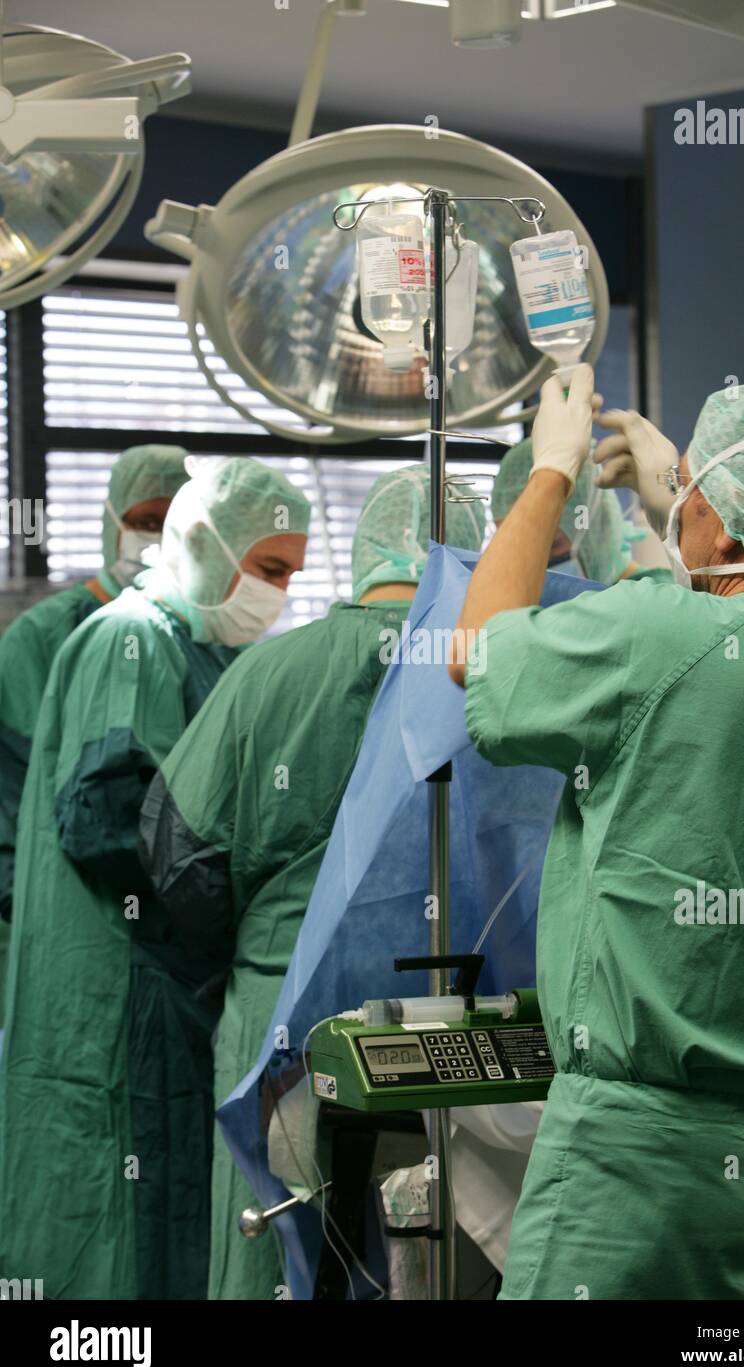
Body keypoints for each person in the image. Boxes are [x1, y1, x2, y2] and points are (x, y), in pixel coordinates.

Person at [449, 366, 744, 1300]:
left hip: (632, 1176)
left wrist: (548, 475)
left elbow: (474, 654)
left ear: (714, 517)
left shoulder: (659, 636)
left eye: (690, 505)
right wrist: (679, 507)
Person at [139, 464, 485, 1300]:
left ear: (363, 546)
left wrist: (264, 947)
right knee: (437, 1258)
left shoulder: (266, 676)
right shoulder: (493, 677)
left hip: (280, 1022)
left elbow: (176, 861)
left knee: (280, 1257)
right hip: (450, 1032)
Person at [0, 455, 311, 1300]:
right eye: (270, 568)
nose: (278, 592)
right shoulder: (129, 638)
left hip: (157, 986)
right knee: (114, 1231)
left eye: (292, 574)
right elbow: (110, 820)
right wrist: (232, 916)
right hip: (117, 986)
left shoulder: (197, 650)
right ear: (208, 543)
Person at [0, 444, 190, 1027]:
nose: (156, 538)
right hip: (61, 913)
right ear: (112, 523)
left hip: (172, 919)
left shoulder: (198, 634)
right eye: (144, 522)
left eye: (172, 523)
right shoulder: (44, 637)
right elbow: (36, 793)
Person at [491, 435, 638, 584]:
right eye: (511, 548)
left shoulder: (647, 600)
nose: (531, 561)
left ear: (594, 526)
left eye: (551, 544)